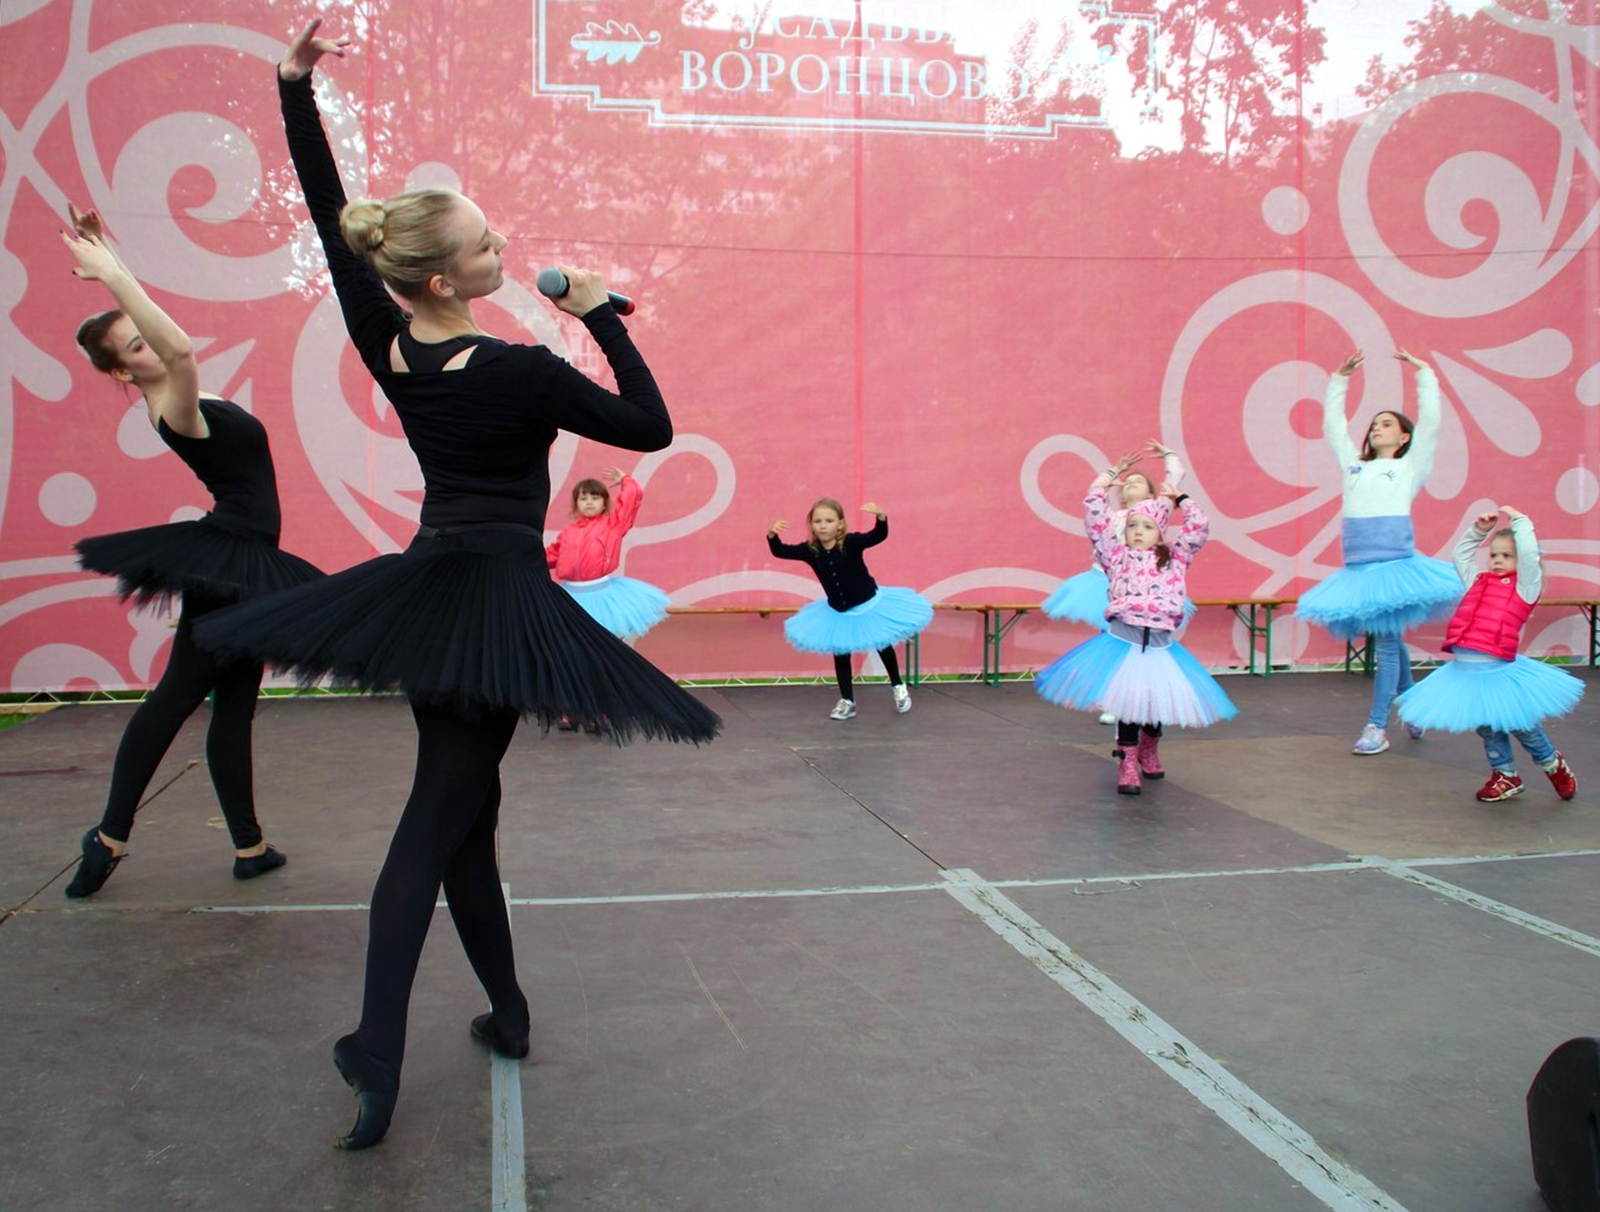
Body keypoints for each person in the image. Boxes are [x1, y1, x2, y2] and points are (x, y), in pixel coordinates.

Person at [196, 22, 719, 1151]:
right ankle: (376, 1051)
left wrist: (293, 91)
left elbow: (329, 217)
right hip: (497, 600)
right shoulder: (526, 370)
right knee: (436, 822)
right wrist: (598, 318)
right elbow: (651, 427)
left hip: (431, 592)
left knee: (469, 819)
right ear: (442, 275)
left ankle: (511, 1014)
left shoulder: (391, 347)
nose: (498, 252)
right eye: (483, 247)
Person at [61, 206, 320, 898]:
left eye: (143, 335)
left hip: (243, 558)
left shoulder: (181, 390)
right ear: (124, 371)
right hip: (229, 559)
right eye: (133, 347)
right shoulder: (173, 401)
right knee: (177, 696)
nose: (148, 343)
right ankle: (110, 834)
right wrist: (113, 276)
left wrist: (110, 256)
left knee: (234, 707)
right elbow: (175, 348)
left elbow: (161, 338)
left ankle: (249, 845)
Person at [1295, 350, 1460, 755]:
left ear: (1404, 438)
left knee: (1385, 643)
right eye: (1373, 424)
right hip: (1359, 568)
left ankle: (1377, 726)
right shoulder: (1354, 465)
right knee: (1388, 638)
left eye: (1387, 424)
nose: (1376, 428)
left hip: (1394, 566)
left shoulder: (1409, 467)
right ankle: (1414, 705)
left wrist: (1425, 375)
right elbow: (1334, 428)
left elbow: (1433, 425)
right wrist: (1339, 380)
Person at [1034, 477, 1236, 795]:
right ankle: (1127, 761)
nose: (1139, 531)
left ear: (1160, 532)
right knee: (1129, 706)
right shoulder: (1116, 558)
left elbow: (1199, 527)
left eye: (1147, 526)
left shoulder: (1175, 560)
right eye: (1133, 526)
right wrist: (1098, 488)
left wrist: (1182, 499)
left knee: (1153, 706)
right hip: (1124, 643)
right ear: (1124, 532)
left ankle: (1149, 749)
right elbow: (1097, 525)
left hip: (1159, 647)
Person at [1395, 507, 1582, 802]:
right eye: (1494, 554)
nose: (1497, 560)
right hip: (1467, 672)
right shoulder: (1477, 583)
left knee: (1523, 727)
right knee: (1486, 728)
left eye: (1506, 556)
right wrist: (1479, 531)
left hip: (1498, 673)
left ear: (1521, 561)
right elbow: (1461, 556)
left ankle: (1552, 764)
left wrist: (1521, 522)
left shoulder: (1524, 589)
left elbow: (1531, 555)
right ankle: (1505, 775)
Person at [1042, 443, 1195, 725]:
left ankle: (1139, 701)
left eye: (1139, 481)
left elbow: (1176, 477)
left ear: (1152, 493)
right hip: (1111, 581)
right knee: (1115, 640)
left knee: (1141, 644)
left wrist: (1170, 456)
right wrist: (1112, 473)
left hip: (1149, 586)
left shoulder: (1160, 510)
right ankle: (1115, 698)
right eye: (1128, 482)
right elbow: (1095, 514)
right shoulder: (1113, 517)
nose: (1131, 484)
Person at [766, 499, 931, 719]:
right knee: (841, 652)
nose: (823, 525)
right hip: (839, 612)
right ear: (811, 525)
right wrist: (772, 536)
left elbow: (877, 536)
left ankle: (898, 687)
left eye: (829, 521)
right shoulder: (810, 550)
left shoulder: (852, 542)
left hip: (868, 606)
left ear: (840, 524)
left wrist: (881, 518)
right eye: (817, 521)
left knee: (882, 645)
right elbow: (780, 551)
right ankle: (847, 701)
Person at [546, 467, 669, 641]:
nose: (589, 502)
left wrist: (626, 481)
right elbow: (550, 556)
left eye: (595, 498)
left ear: (604, 503)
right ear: (576, 503)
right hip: (570, 595)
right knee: (573, 639)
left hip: (602, 596)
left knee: (605, 640)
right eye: (583, 498)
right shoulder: (568, 533)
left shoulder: (613, 526)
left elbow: (629, 503)